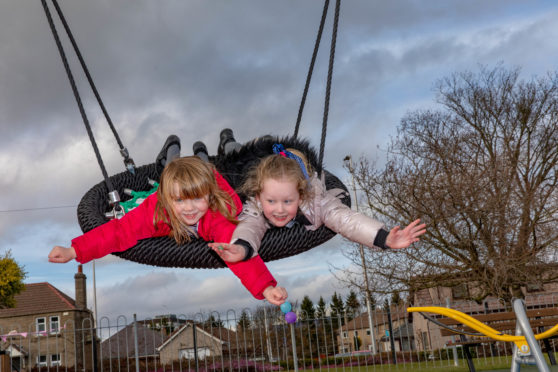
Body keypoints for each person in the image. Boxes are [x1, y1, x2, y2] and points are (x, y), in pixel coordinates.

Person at [48, 155, 288, 305]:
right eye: (180, 201)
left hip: (216, 192)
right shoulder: (156, 212)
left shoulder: (215, 216)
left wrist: (265, 287)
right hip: (163, 195)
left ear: (209, 196)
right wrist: (74, 251)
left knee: (213, 181)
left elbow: (236, 252)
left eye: (197, 199)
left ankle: (201, 159)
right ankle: (172, 155)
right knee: (171, 171)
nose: (190, 209)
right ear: (166, 199)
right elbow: (118, 231)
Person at [208, 133, 427, 262]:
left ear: (300, 194)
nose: (279, 210)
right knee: (233, 157)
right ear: (259, 195)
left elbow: (345, 219)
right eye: (271, 201)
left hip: (284, 162)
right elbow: (250, 226)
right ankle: (228, 140)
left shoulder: (316, 202)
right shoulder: (256, 202)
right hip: (247, 163)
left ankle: (232, 140)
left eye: (288, 201)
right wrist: (242, 247)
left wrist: (384, 238)